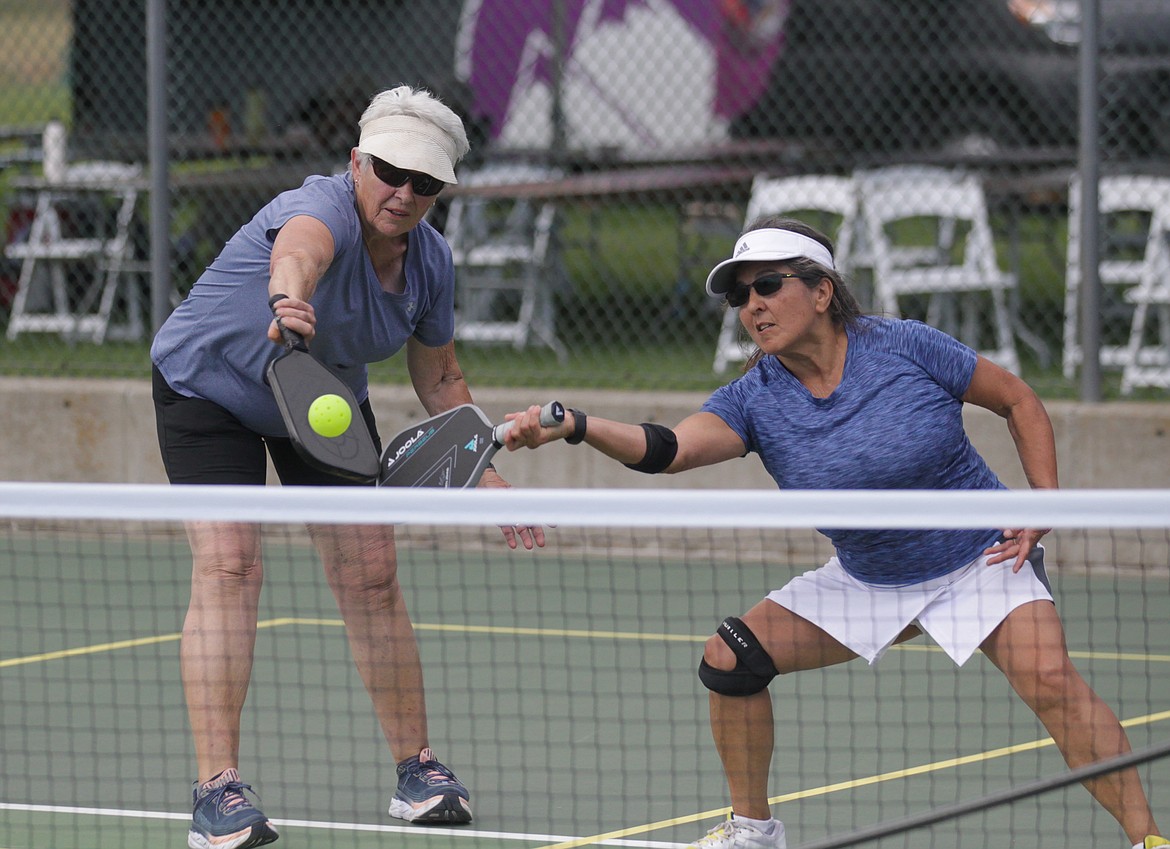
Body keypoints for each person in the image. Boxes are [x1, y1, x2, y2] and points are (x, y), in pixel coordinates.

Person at [501, 218, 1166, 849]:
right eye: (740, 294)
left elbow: (1018, 398)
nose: (752, 305)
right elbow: (668, 446)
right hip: (868, 576)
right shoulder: (754, 397)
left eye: (768, 285)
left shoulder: (905, 346)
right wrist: (580, 423)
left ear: (821, 290)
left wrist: (1044, 499)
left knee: (1051, 681)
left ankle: (1148, 838)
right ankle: (752, 831)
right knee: (731, 658)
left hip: (979, 555)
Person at [151, 84, 545, 849]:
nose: (403, 193)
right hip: (211, 385)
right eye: (390, 171)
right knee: (230, 563)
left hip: (318, 399)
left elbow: (439, 377)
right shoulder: (322, 206)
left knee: (371, 570)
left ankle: (417, 770)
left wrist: (481, 466)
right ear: (356, 160)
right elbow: (300, 249)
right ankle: (216, 792)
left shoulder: (431, 262)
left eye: (424, 182)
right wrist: (287, 297)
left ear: (442, 191)